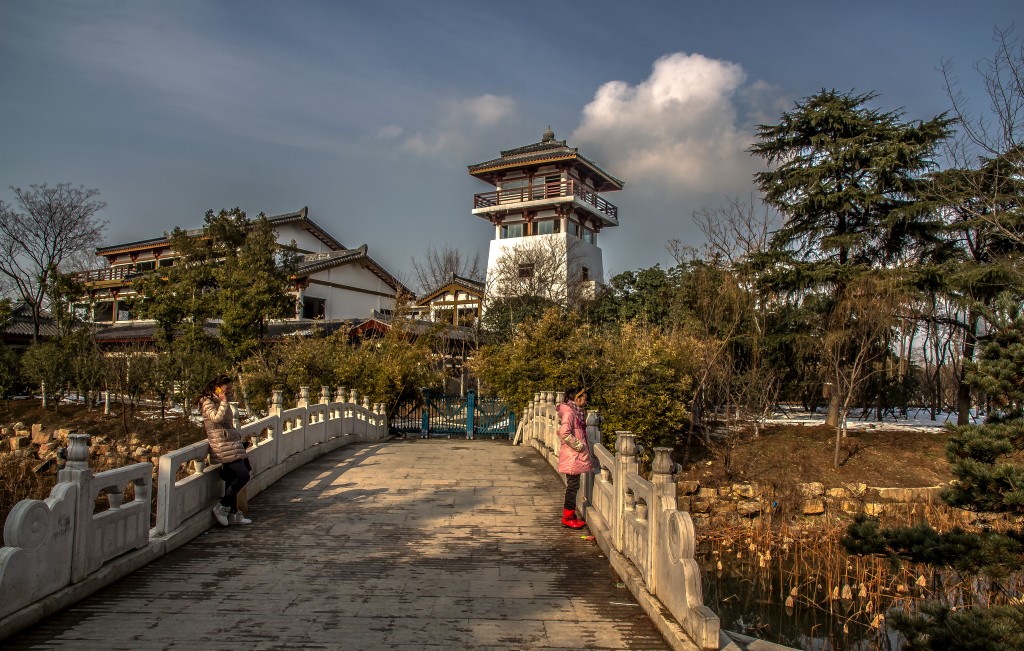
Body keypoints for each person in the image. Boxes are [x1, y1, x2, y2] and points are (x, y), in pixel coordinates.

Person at [200, 374, 254, 526]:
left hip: (231, 442)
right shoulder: (208, 402)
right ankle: (222, 506)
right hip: (221, 444)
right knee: (242, 475)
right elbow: (216, 419)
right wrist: (224, 402)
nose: (229, 390)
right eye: (227, 388)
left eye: (231, 388)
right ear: (217, 388)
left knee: (234, 477)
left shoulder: (221, 400)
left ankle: (233, 513)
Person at [556, 387, 594, 529]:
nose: (586, 400)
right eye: (584, 397)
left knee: (574, 485)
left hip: (574, 456)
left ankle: (570, 516)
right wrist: (580, 446)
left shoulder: (574, 412)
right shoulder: (570, 413)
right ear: (577, 398)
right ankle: (567, 517)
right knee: (572, 487)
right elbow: (564, 433)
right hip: (572, 456)